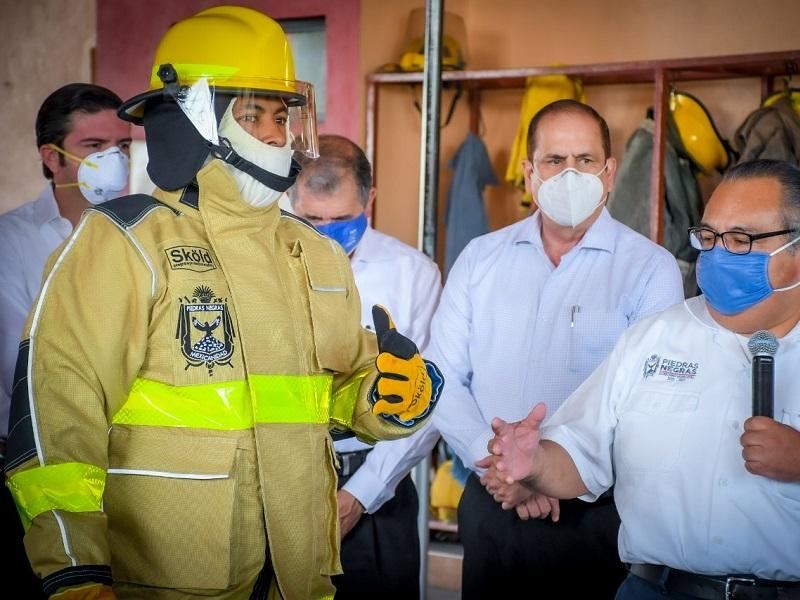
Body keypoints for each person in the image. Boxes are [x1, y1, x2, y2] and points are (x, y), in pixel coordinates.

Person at [4, 7, 442, 600]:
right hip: (167, 581)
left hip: (298, 575)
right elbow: (58, 420)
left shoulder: (313, 253)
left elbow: (323, 395)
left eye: (282, 116)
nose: (276, 136)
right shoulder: (126, 243)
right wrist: (76, 574)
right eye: (253, 114)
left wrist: (383, 396)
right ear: (193, 118)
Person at [487, 158, 800, 600]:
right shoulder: (654, 338)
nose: (716, 255)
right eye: (708, 237)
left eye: (740, 239)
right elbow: (581, 454)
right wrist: (533, 462)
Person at [426, 98, 685, 599]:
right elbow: (441, 375)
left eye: (585, 161)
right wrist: (503, 465)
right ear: (528, 173)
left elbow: (646, 407)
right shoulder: (481, 257)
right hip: (490, 499)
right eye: (554, 161)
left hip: (592, 514)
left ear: (609, 173)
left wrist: (547, 474)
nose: (571, 174)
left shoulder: (650, 269)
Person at [288, 134, 442, 599]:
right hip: (285, 476)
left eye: (341, 219)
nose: (325, 230)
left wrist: (361, 494)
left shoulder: (413, 274)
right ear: (289, 200)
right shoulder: (266, 267)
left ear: (369, 200)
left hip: (377, 488)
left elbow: (427, 400)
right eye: (311, 218)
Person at [0, 82, 131, 599]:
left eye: (121, 146)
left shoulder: (142, 235)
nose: (114, 161)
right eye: (94, 147)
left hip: (124, 475)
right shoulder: (10, 245)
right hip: (28, 473)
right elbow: (24, 363)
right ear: (51, 159)